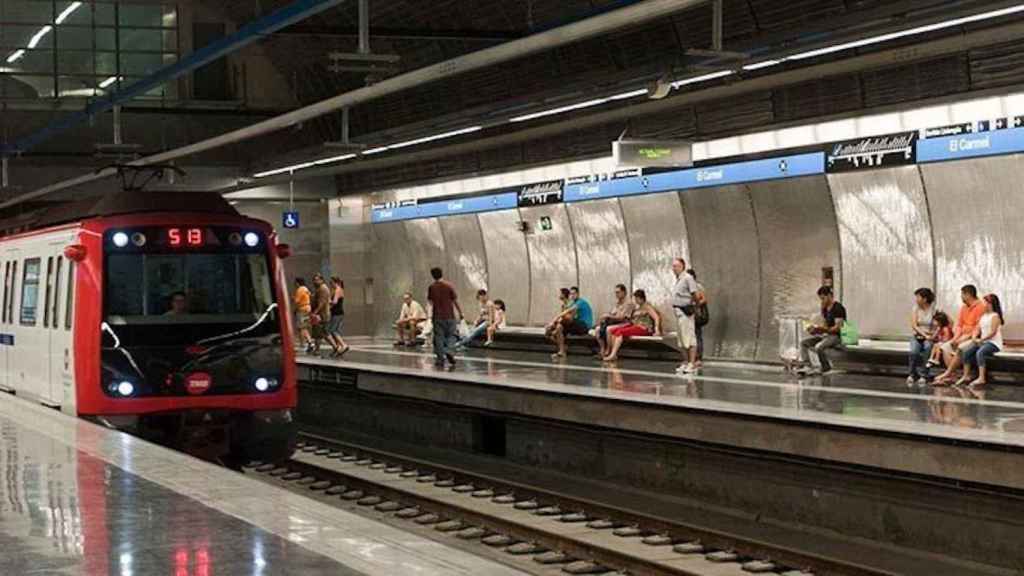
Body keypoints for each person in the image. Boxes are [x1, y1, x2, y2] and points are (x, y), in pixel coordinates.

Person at [934, 285, 986, 385]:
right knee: (945, 347)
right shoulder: (963, 308)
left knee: (961, 347)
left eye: (962, 294)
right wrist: (955, 338)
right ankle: (953, 375)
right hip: (962, 336)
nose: (961, 297)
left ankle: (948, 373)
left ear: (968, 295)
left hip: (974, 337)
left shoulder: (981, 307)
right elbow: (959, 325)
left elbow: (978, 327)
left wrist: (964, 338)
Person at [798, 286, 847, 375]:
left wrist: (824, 330)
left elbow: (838, 327)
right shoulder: (825, 309)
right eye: (821, 299)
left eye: (823, 298)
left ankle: (826, 367)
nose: (822, 301)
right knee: (804, 343)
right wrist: (816, 330)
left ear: (829, 296)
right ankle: (807, 365)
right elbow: (825, 325)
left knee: (819, 347)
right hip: (827, 335)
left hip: (837, 336)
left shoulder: (838, 308)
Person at [957, 294, 1004, 387]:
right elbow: (977, 328)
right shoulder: (984, 316)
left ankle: (981, 378)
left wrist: (981, 339)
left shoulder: (995, 316)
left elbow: (993, 332)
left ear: (991, 304)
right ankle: (966, 375)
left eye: (985, 302)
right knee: (966, 352)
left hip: (993, 343)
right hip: (982, 341)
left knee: (980, 352)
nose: (984, 304)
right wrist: (974, 337)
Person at [603, 290, 662, 362]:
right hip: (635, 326)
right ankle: (613, 353)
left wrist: (657, 329)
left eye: (637, 299)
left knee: (620, 332)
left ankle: (613, 355)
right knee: (613, 331)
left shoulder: (647, 307)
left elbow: (656, 317)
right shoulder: (637, 308)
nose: (636, 301)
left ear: (641, 298)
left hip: (643, 328)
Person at [427, 267, 463, 369]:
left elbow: (430, 302)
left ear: (432, 275)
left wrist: (429, 316)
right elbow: (455, 300)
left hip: (437, 316)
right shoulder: (449, 286)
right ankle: (449, 350)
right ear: (442, 273)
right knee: (452, 335)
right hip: (449, 315)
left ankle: (440, 359)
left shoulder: (431, 287)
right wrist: (461, 313)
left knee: (438, 337)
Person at [546, 287, 594, 359]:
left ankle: (563, 348)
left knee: (562, 322)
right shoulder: (572, 303)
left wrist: (554, 321)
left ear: (578, 294)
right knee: (557, 329)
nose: (572, 295)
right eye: (571, 294)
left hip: (584, 326)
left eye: (574, 294)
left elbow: (567, 313)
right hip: (576, 325)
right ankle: (562, 351)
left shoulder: (580, 302)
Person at [671, 258, 700, 374]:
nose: (674, 269)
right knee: (682, 339)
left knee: (690, 338)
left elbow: (695, 294)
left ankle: (692, 363)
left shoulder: (688, 278)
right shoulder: (678, 280)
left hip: (685, 311)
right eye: (673, 266)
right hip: (678, 312)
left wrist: (694, 306)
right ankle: (685, 361)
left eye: (677, 266)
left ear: (683, 266)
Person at [595, 284, 635, 359]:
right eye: (615, 293)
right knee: (597, 329)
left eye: (618, 292)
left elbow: (622, 317)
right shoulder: (617, 303)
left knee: (609, 329)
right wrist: (606, 317)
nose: (616, 294)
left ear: (624, 292)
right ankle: (602, 349)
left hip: (625, 323)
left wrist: (609, 316)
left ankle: (609, 351)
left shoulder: (629, 303)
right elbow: (612, 313)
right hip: (615, 322)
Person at [908, 287, 937, 384]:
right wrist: (924, 335)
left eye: (918, 297)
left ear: (924, 299)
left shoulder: (934, 309)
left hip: (930, 336)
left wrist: (933, 334)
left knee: (928, 348)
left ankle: (924, 374)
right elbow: (914, 325)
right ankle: (912, 374)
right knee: (913, 351)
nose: (916, 299)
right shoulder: (915, 308)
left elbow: (943, 323)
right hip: (918, 335)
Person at [689, 269, 709, 367]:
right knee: (693, 336)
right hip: (691, 314)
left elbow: (704, 299)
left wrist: (694, 305)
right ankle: (693, 357)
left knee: (697, 335)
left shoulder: (697, 287)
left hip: (697, 315)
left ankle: (698, 358)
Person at [326, 276, 350, 357]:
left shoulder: (337, 290)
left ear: (334, 282)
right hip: (337, 313)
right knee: (335, 330)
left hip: (337, 313)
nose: (330, 284)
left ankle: (343, 345)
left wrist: (329, 301)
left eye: (331, 282)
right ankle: (339, 347)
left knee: (332, 330)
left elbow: (335, 302)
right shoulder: (338, 289)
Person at [310, 274, 333, 355]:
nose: (314, 281)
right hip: (322, 314)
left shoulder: (322, 289)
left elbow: (321, 303)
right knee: (323, 333)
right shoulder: (320, 288)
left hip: (321, 314)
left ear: (321, 280)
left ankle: (317, 350)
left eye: (316, 280)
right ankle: (335, 347)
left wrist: (315, 312)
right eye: (314, 280)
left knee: (318, 333)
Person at [292, 278, 313, 352]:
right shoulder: (306, 288)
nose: (294, 284)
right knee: (304, 326)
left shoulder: (299, 289)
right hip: (307, 308)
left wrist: (293, 298)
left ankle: (304, 344)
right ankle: (309, 342)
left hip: (302, 309)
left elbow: (297, 301)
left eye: (295, 282)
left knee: (301, 327)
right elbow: (310, 296)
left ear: (298, 283)